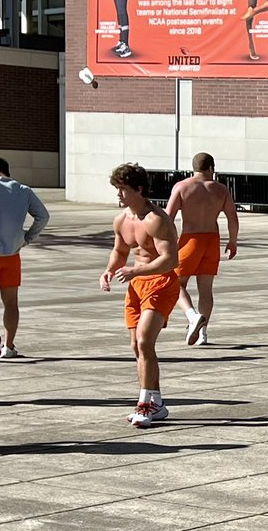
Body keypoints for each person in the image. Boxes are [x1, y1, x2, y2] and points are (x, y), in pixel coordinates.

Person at [100, 163, 180, 428]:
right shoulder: (122, 219)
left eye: (123, 190)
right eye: (117, 190)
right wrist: (109, 270)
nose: (119, 195)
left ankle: (145, 405)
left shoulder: (156, 219)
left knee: (145, 341)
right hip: (136, 285)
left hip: (160, 282)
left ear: (139, 189)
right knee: (137, 346)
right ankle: (156, 403)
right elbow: (120, 251)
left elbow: (170, 260)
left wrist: (137, 271)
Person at [0, 158, 50, 362]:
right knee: (11, 302)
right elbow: (42, 216)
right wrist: (27, 238)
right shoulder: (23, 189)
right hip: (12, 254)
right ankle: (8, 346)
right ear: (7, 172)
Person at [167, 152, 240, 346]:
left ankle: (192, 316)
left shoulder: (182, 187)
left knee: (175, 283)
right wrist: (233, 241)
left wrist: (168, 242)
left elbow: (168, 217)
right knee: (205, 288)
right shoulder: (221, 190)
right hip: (212, 240)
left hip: (190, 239)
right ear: (210, 168)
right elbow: (233, 217)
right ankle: (203, 334)